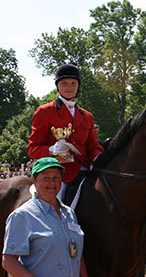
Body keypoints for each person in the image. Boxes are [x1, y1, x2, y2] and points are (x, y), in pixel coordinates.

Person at [27, 64, 103, 202]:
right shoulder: (45, 112)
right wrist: (51, 150)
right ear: (58, 86)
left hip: (84, 169)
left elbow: (93, 147)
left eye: (73, 83)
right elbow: (32, 149)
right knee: (55, 203)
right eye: (64, 83)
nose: (69, 87)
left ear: (78, 86)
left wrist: (97, 158)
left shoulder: (87, 116)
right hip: (57, 171)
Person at [2, 157, 88, 277]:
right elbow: (8, 261)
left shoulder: (69, 213)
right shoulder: (22, 216)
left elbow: (77, 255)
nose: (52, 183)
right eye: (45, 178)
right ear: (34, 181)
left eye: (56, 178)